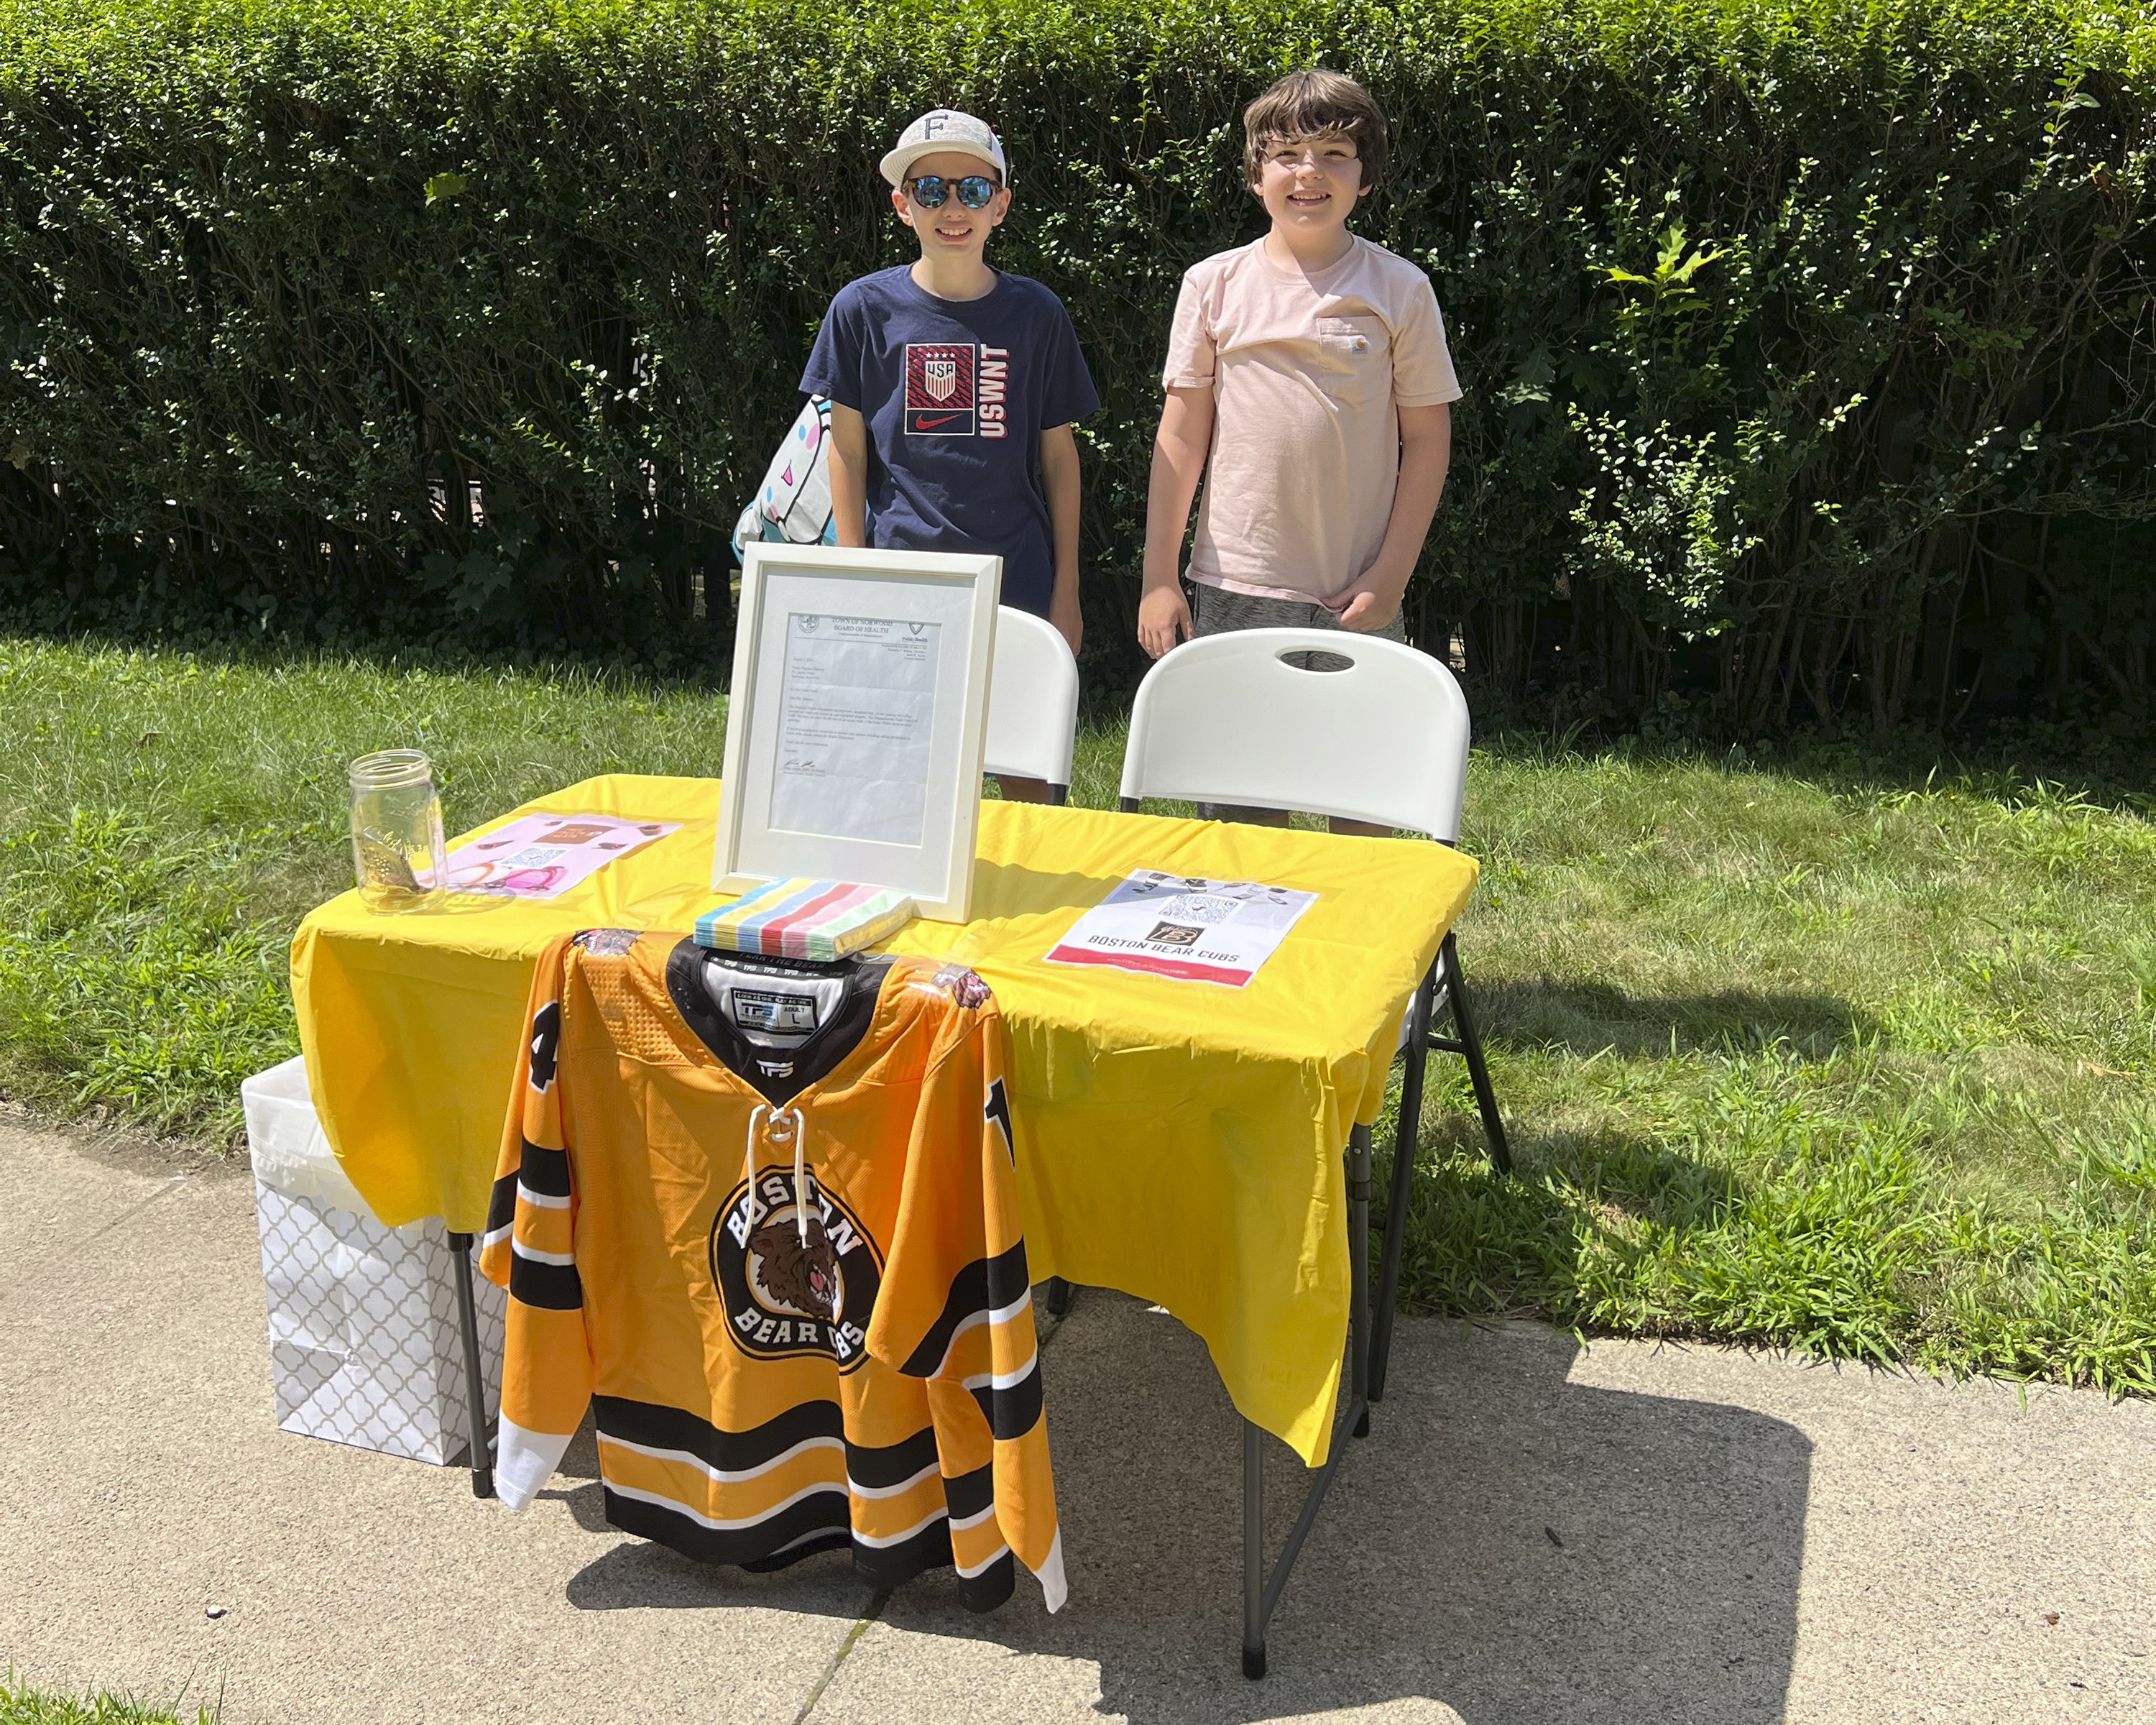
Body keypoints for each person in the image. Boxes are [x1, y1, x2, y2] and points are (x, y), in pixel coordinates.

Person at [1135, 70, 1462, 834]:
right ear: (1256, 175)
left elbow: (1428, 440)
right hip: (1234, 586)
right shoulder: (1212, 285)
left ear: (1366, 176)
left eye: (1333, 152)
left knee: (1366, 802)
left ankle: (1361, 950)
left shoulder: (1400, 289)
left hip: (1357, 593)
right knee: (1239, 807)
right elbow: (1181, 436)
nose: (1308, 171)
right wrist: (1158, 577)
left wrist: (1391, 576)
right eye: (1285, 154)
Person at [802, 109, 1100, 804]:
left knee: (1034, 794)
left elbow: (1061, 461)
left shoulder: (1039, 315)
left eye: (972, 189)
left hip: (1018, 585)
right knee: (908, 792)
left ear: (1002, 203)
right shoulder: (860, 310)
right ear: (903, 206)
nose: (953, 207)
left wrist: (1068, 593)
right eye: (931, 190)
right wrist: (856, 576)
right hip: (904, 584)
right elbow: (845, 452)